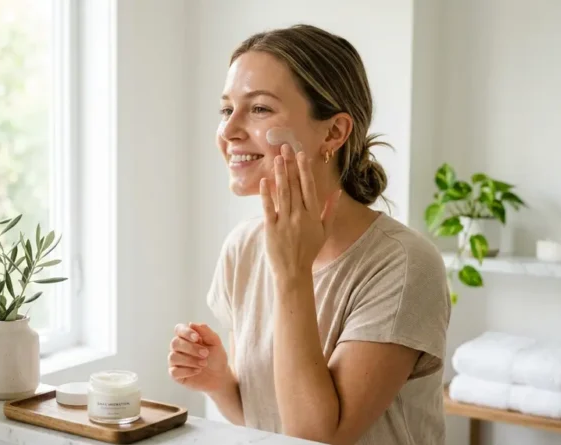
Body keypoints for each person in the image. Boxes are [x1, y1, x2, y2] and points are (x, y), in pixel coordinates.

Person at [168, 24, 451, 445]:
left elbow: (318, 439)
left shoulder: (405, 266)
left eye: (260, 109)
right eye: (227, 109)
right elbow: (269, 424)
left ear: (334, 132)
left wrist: (293, 273)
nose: (229, 131)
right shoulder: (243, 247)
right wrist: (220, 383)